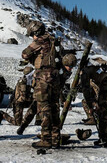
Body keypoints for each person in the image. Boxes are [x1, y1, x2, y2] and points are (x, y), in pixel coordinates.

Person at [21, 20, 62, 149]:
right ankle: (55, 138)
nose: (32, 36)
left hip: (43, 77)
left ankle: (46, 139)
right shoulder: (54, 40)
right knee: (54, 108)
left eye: (32, 34)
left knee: (44, 108)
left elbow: (25, 54)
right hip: (55, 78)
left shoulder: (40, 41)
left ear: (36, 32)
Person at [16, 53, 77, 136]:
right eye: (69, 66)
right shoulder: (55, 69)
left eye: (72, 67)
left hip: (51, 89)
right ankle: (24, 125)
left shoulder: (65, 72)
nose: (70, 69)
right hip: (41, 87)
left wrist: (63, 101)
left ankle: (52, 132)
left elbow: (59, 87)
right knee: (36, 107)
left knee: (51, 110)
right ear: (64, 63)